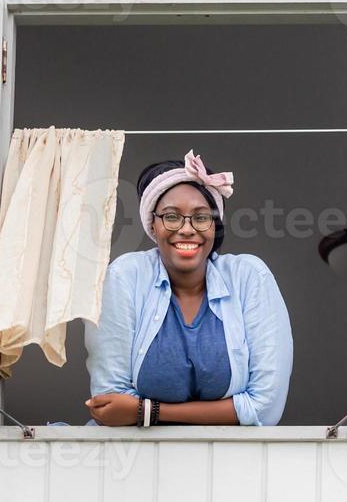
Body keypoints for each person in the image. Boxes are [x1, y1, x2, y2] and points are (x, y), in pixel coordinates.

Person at [83, 151, 293, 427]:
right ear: (153, 225)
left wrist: (147, 412)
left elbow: (265, 408)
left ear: (214, 225)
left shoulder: (249, 277)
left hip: (233, 464)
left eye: (201, 217)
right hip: (134, 463)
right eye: (171, 217)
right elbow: (109, 401)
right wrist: (229, 411)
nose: (186, 229)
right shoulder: (125, 276)